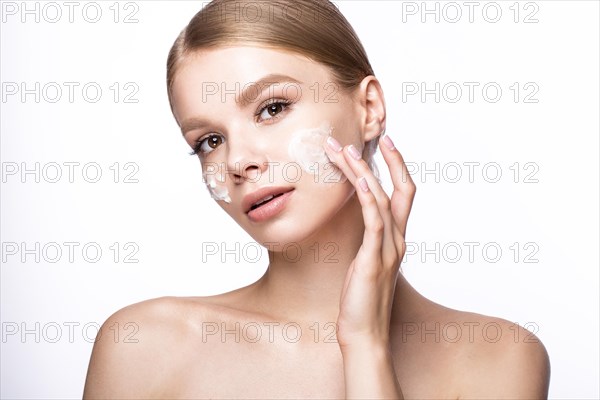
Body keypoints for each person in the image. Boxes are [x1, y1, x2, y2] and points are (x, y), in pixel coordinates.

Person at [83, 0, 550, 398]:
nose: (238, 161)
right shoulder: (145, 346)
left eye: (272, 108)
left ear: (368, 109)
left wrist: (365, 346)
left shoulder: (499, 357)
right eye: (209, 140)